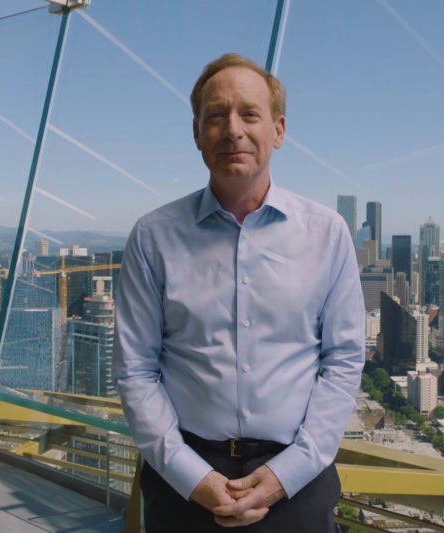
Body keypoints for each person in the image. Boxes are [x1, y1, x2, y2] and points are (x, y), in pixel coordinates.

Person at [113, 53, 365, 532]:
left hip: (296, 483)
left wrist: (283, 475)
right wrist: (194, 477)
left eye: (250, 113)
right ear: (196, 134)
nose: (232, 129)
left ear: (279, 130)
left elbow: (344, 361)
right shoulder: (153, 236)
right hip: (181, 482)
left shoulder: (327, 233)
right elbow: (135, 369)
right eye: (215, 115)